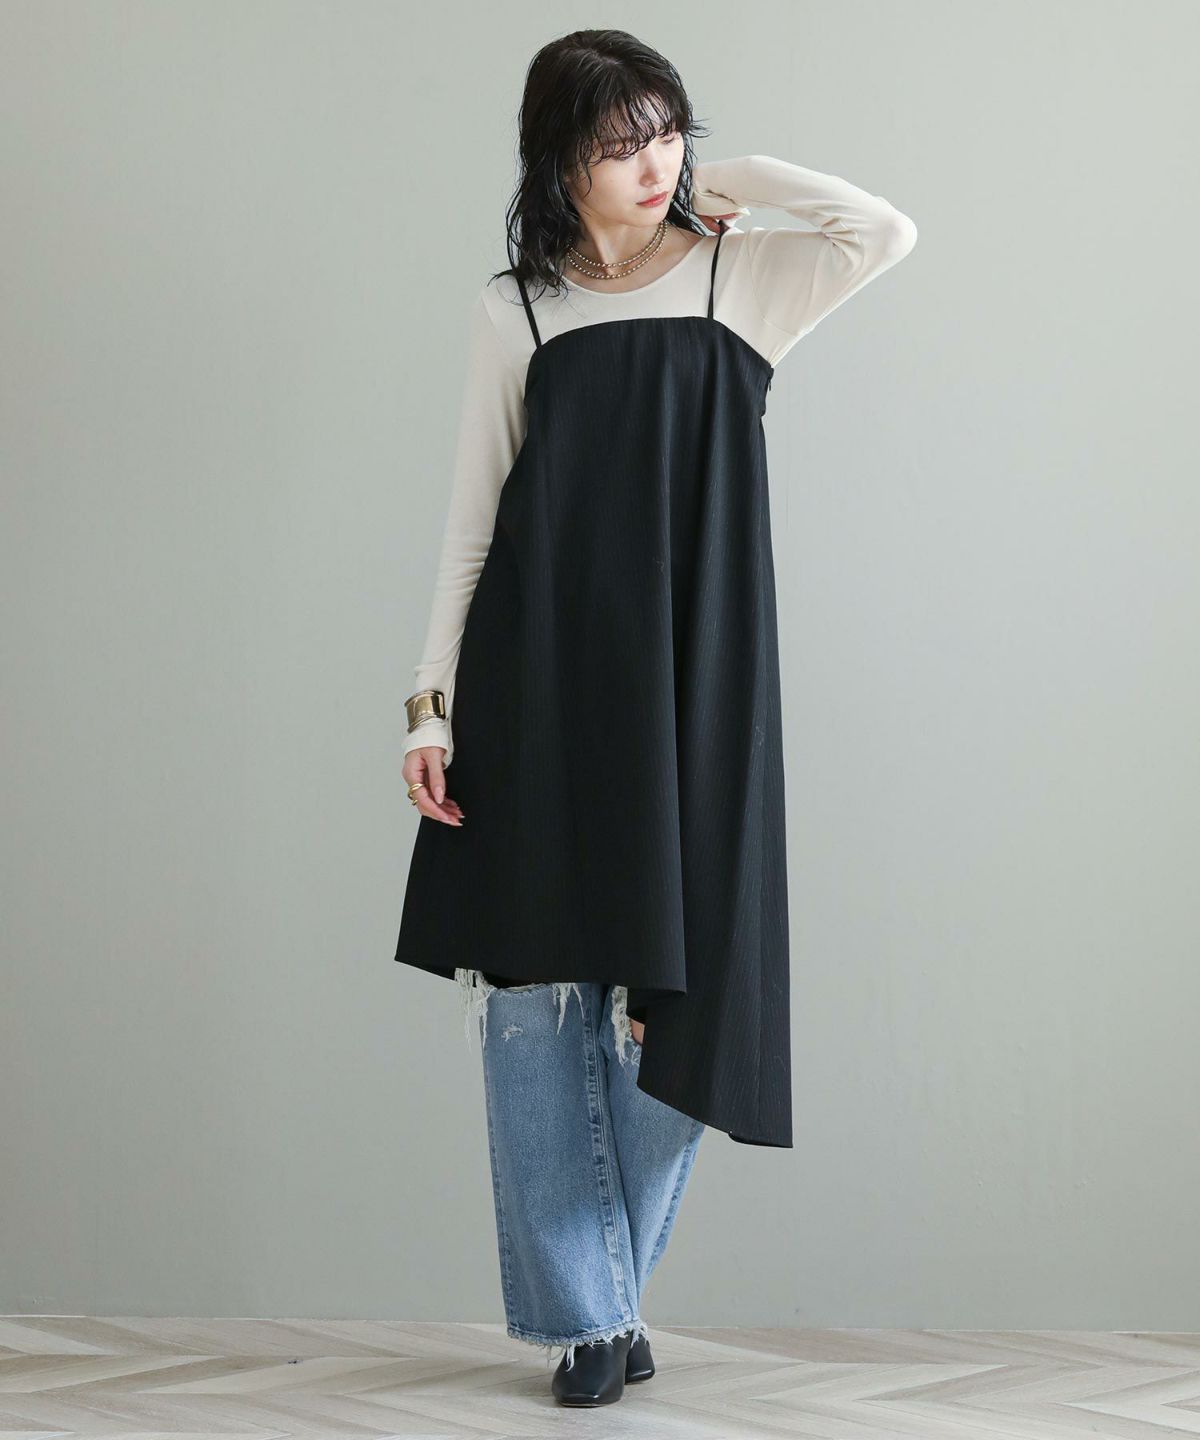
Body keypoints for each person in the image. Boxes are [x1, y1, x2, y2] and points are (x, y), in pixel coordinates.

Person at [394, 27, 918, 1407]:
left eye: (666, 132)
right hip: (535, 675)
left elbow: (883, 231)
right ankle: (592, 1324)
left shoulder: (741, 280)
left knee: (682, 998)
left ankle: (602, 1300)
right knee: (533, 997)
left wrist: (732, 176)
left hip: (698, 683)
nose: (651, 163)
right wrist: (429, 708)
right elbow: (471, 522)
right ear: (558, 161)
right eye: (617, 143)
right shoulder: (514, 310)